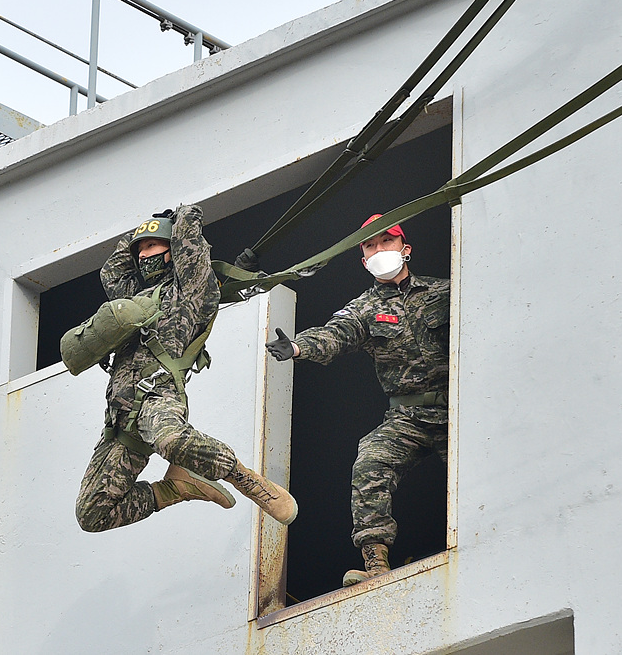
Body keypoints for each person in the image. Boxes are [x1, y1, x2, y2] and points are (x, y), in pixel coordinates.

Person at [75, 204, 298, 533]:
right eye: (140, 251)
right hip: (119, 421)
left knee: (172, 440)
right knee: (91, 514)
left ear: (171, 249)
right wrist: (143, 230)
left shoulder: (190, 290)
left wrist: (179, 218)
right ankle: (176, 487)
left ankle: (242, 477)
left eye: (153, 246)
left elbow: (190, 245)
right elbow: (111, 270)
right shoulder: (134, 296)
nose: (144, 255)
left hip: (156, 396)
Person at [265, 214, 449, 586]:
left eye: (386, 241)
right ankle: (376, 564)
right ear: (363, 260)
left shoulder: (446, 290)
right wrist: (299, 346)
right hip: (407, 414)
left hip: (458, 408)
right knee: (370, 462)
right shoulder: (364, 308)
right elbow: (336, 334)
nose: (379, 250)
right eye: (370, 246)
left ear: (405, 249)